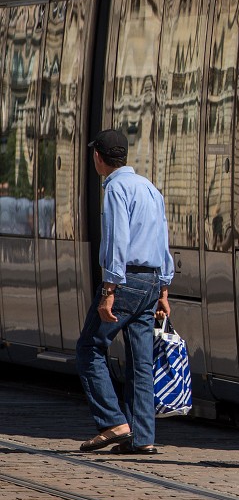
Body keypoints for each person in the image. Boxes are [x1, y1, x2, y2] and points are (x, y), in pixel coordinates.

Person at [76, 130, 174, 456]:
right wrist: (163, 287)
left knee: (89, 347)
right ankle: (142, 436)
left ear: (98, 158)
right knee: (140, 362)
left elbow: (118, 240)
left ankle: (112, 422)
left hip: (126, 282)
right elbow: (162, 239)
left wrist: (108, 290)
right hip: (150, 282)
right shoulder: (149, 188)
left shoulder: (115, 188)